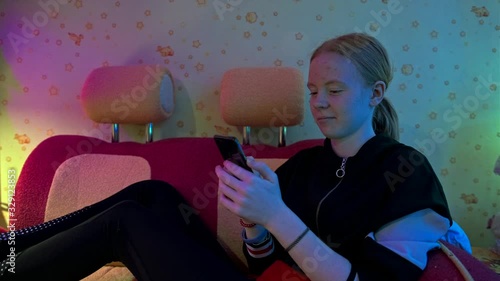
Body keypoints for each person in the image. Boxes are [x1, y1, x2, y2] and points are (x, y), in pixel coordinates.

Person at [0, 32, 457, 281]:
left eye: (334, 91)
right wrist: (253, 223)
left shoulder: (404, 170)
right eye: (313, 91)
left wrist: (276, 215)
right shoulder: (304, 165)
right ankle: (12, 248)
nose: (318, 103)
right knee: (151, 194)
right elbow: (261, 262)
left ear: (376, 93)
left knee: (126, 222)